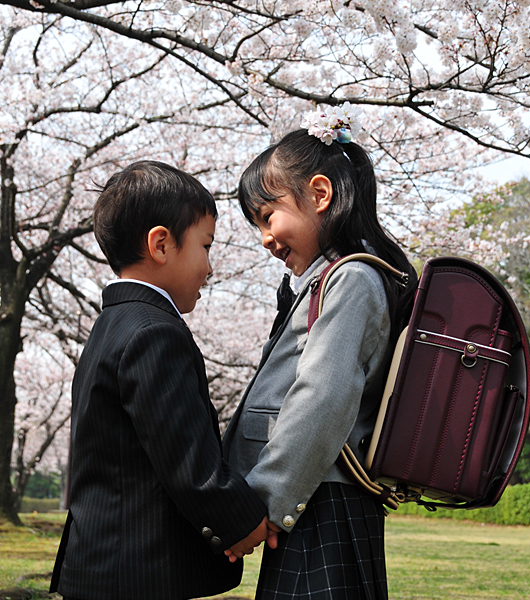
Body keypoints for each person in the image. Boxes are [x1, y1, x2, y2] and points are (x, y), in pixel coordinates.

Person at [50, 160, 277, 600]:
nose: (210, 268)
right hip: (136, 571)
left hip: (104, 562)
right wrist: (242, 520)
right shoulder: (154, 332)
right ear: (160, 244)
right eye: (206, 247)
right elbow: (186, 457)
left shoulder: (112, 324)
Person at [222, 106, 418, 599]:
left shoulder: (352, 279)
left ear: (320, 194)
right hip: (312, 499)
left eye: (268, 217)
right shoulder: (329, 280)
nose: (265, 239)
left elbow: (321, 399)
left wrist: (265, 501)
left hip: (321, 504)